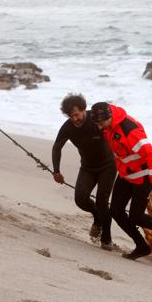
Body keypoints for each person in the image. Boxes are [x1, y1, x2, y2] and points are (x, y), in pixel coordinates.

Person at [90, 102, 152, 260]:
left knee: (136, 217)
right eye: (96, 123)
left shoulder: (129, 130)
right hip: (126, 175)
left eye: (101, 123)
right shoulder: (107, 125)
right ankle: (141, 246)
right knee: (115, 211)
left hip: (144, 176)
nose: (99, 127)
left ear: (110, 117)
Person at [52, 93, 116, 250]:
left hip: (108, 166)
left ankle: (106, 238)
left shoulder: (96, 121)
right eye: (70, 116)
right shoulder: (68, 127)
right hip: (87, 167)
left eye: (76, 114)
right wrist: (56, 171)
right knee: (80, 199)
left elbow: (117, 134)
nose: (74, 119)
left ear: (84, 110)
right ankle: (97, 218)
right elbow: (57, 147)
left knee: (102, 202)